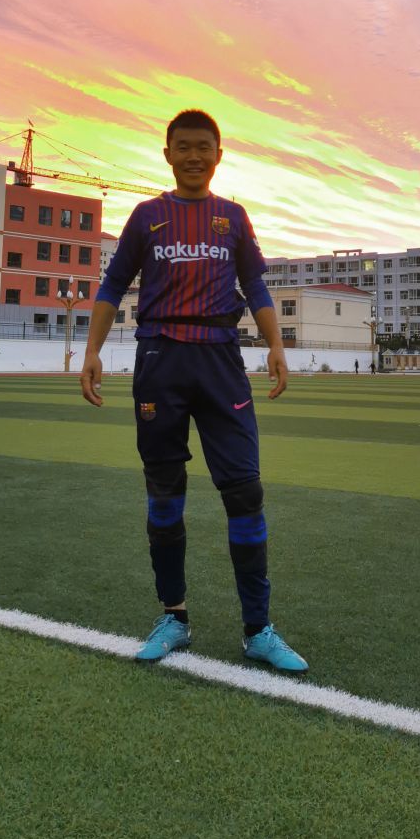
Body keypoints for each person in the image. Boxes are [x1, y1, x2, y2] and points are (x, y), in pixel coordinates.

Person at [80, 109, 307, 672]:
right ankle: (174, 617)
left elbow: (255, 284)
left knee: (245, 492)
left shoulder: (233, 217)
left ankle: (258, 630)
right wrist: (91, 350)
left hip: (221, 360)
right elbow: (112, 284)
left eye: (203, 147)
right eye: (183, 147)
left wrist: (276, 345)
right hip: (160, 358)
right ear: (167, 154)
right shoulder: (147, 216)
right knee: (164, 493)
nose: (193, 157)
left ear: (219, 155)